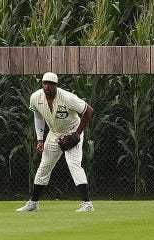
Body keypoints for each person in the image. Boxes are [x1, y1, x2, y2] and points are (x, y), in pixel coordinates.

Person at [16, 72, 95, 213]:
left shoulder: (67, 97)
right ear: (42, 84)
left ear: (56, 85)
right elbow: (38, 116)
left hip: (72, 131)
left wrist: (77, 134)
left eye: (51, 84)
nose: (47, 86)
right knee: (44, 166)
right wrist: (40, 139)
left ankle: (87, 204)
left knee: (74, 164)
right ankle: (33, 203)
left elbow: (88, 110)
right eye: (45, 83)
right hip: (54, 133)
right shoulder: (35, 97)